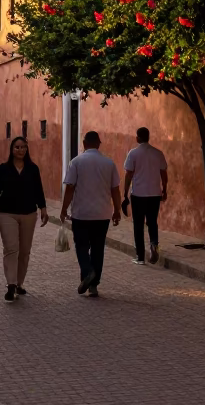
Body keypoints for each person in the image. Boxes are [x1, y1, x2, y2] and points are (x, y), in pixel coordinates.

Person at [60, 131, 121, 298]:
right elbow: (115, 189)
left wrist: (64, 208)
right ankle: (93, 285)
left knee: (81, 246)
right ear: (99, 144)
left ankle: (87, 273)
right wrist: (117, 210)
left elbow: (70, 187)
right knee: (98, 248)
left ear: (84, 143)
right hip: (102, 214)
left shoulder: (76, 162)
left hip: (81, 213)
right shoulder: (109, 163)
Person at [0, 137, 49, 302]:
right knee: (11, 248)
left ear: (27, 150)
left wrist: (43, 208)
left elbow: (38, 190)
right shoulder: (4, 168)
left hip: (28, 213)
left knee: (24, 251)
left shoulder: (33, 169)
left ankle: (19, 283)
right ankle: (11, 285)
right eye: (17, 147)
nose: (20, 150)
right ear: (12, 149)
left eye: (23, 147)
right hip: (7, 213)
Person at [123, 127, 168, 265]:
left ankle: (140, 257)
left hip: (138, 194)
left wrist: (125, 193)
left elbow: (128, 174)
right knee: (152, 221)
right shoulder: (158, 153)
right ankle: (154, 244)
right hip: (154, 194)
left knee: (138, 225)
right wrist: (164, 190)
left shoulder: (133, 153)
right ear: (148, 137)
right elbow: (164, 174)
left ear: (137, 138)